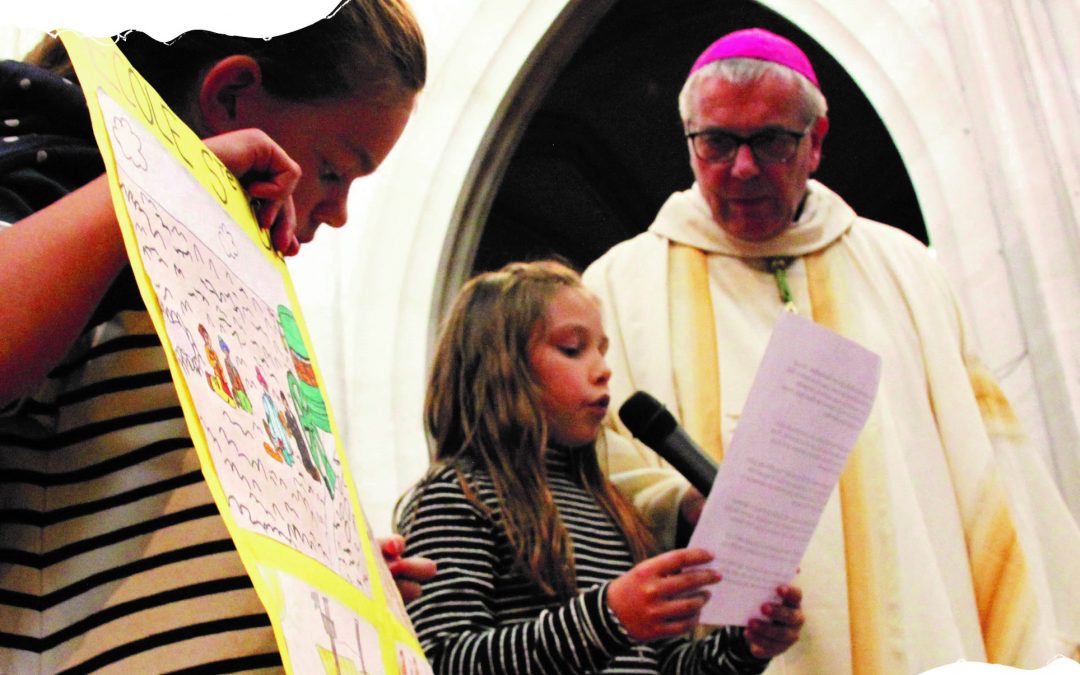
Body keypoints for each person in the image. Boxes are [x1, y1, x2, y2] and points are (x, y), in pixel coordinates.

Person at [582, 27, 1080, 673]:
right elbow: (588, 473)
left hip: (913, 630)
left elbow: (981, 460)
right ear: (688, 142)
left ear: (814, 142)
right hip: (724, 640)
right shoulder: (617, 287)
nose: (743, 167)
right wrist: (678, 503)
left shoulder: (904, 268)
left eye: (770, 141)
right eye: (717, 143)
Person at [0, 3, 434, 671]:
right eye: (335, 169)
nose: (341, 211)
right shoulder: (59, 167)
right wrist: (158, 186)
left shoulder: (209, 261)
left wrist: (322, 575)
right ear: (231, 95)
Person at [395, 260, 804, 674]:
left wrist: (744, 646)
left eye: (602, 350)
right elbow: (441, 660)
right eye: (572, 349)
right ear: (499, 369)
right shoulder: (457, 496)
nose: (604, 370)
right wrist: (608, 618)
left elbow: (660, 667)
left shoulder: (610, 508)